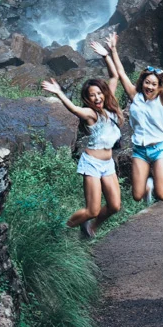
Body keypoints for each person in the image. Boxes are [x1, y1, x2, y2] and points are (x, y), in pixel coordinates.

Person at [91, 32, 163, 216]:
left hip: (160, 148)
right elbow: (121, 73)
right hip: (140, 149)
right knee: (137, 195)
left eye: (154, 84)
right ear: (142, 82)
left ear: (159, 86)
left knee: (162, 194)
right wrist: (112, 50)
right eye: (147, 82)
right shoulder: (135, 96)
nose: (150, 87)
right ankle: (148, 187)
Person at [41, 74, 124, 239]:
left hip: (108, 164)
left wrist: (109, 53)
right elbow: (73, 109)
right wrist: (59, 92)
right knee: (92, 210)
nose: (97, 98)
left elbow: (114, 76)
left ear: (105, 93)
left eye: (99, 93)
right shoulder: (91, 114)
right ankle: (59, 232)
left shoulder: (111, 108)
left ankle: (90, 228)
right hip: (92, 163)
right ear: (87, 98)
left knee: (114, 206)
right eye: (92, 95)